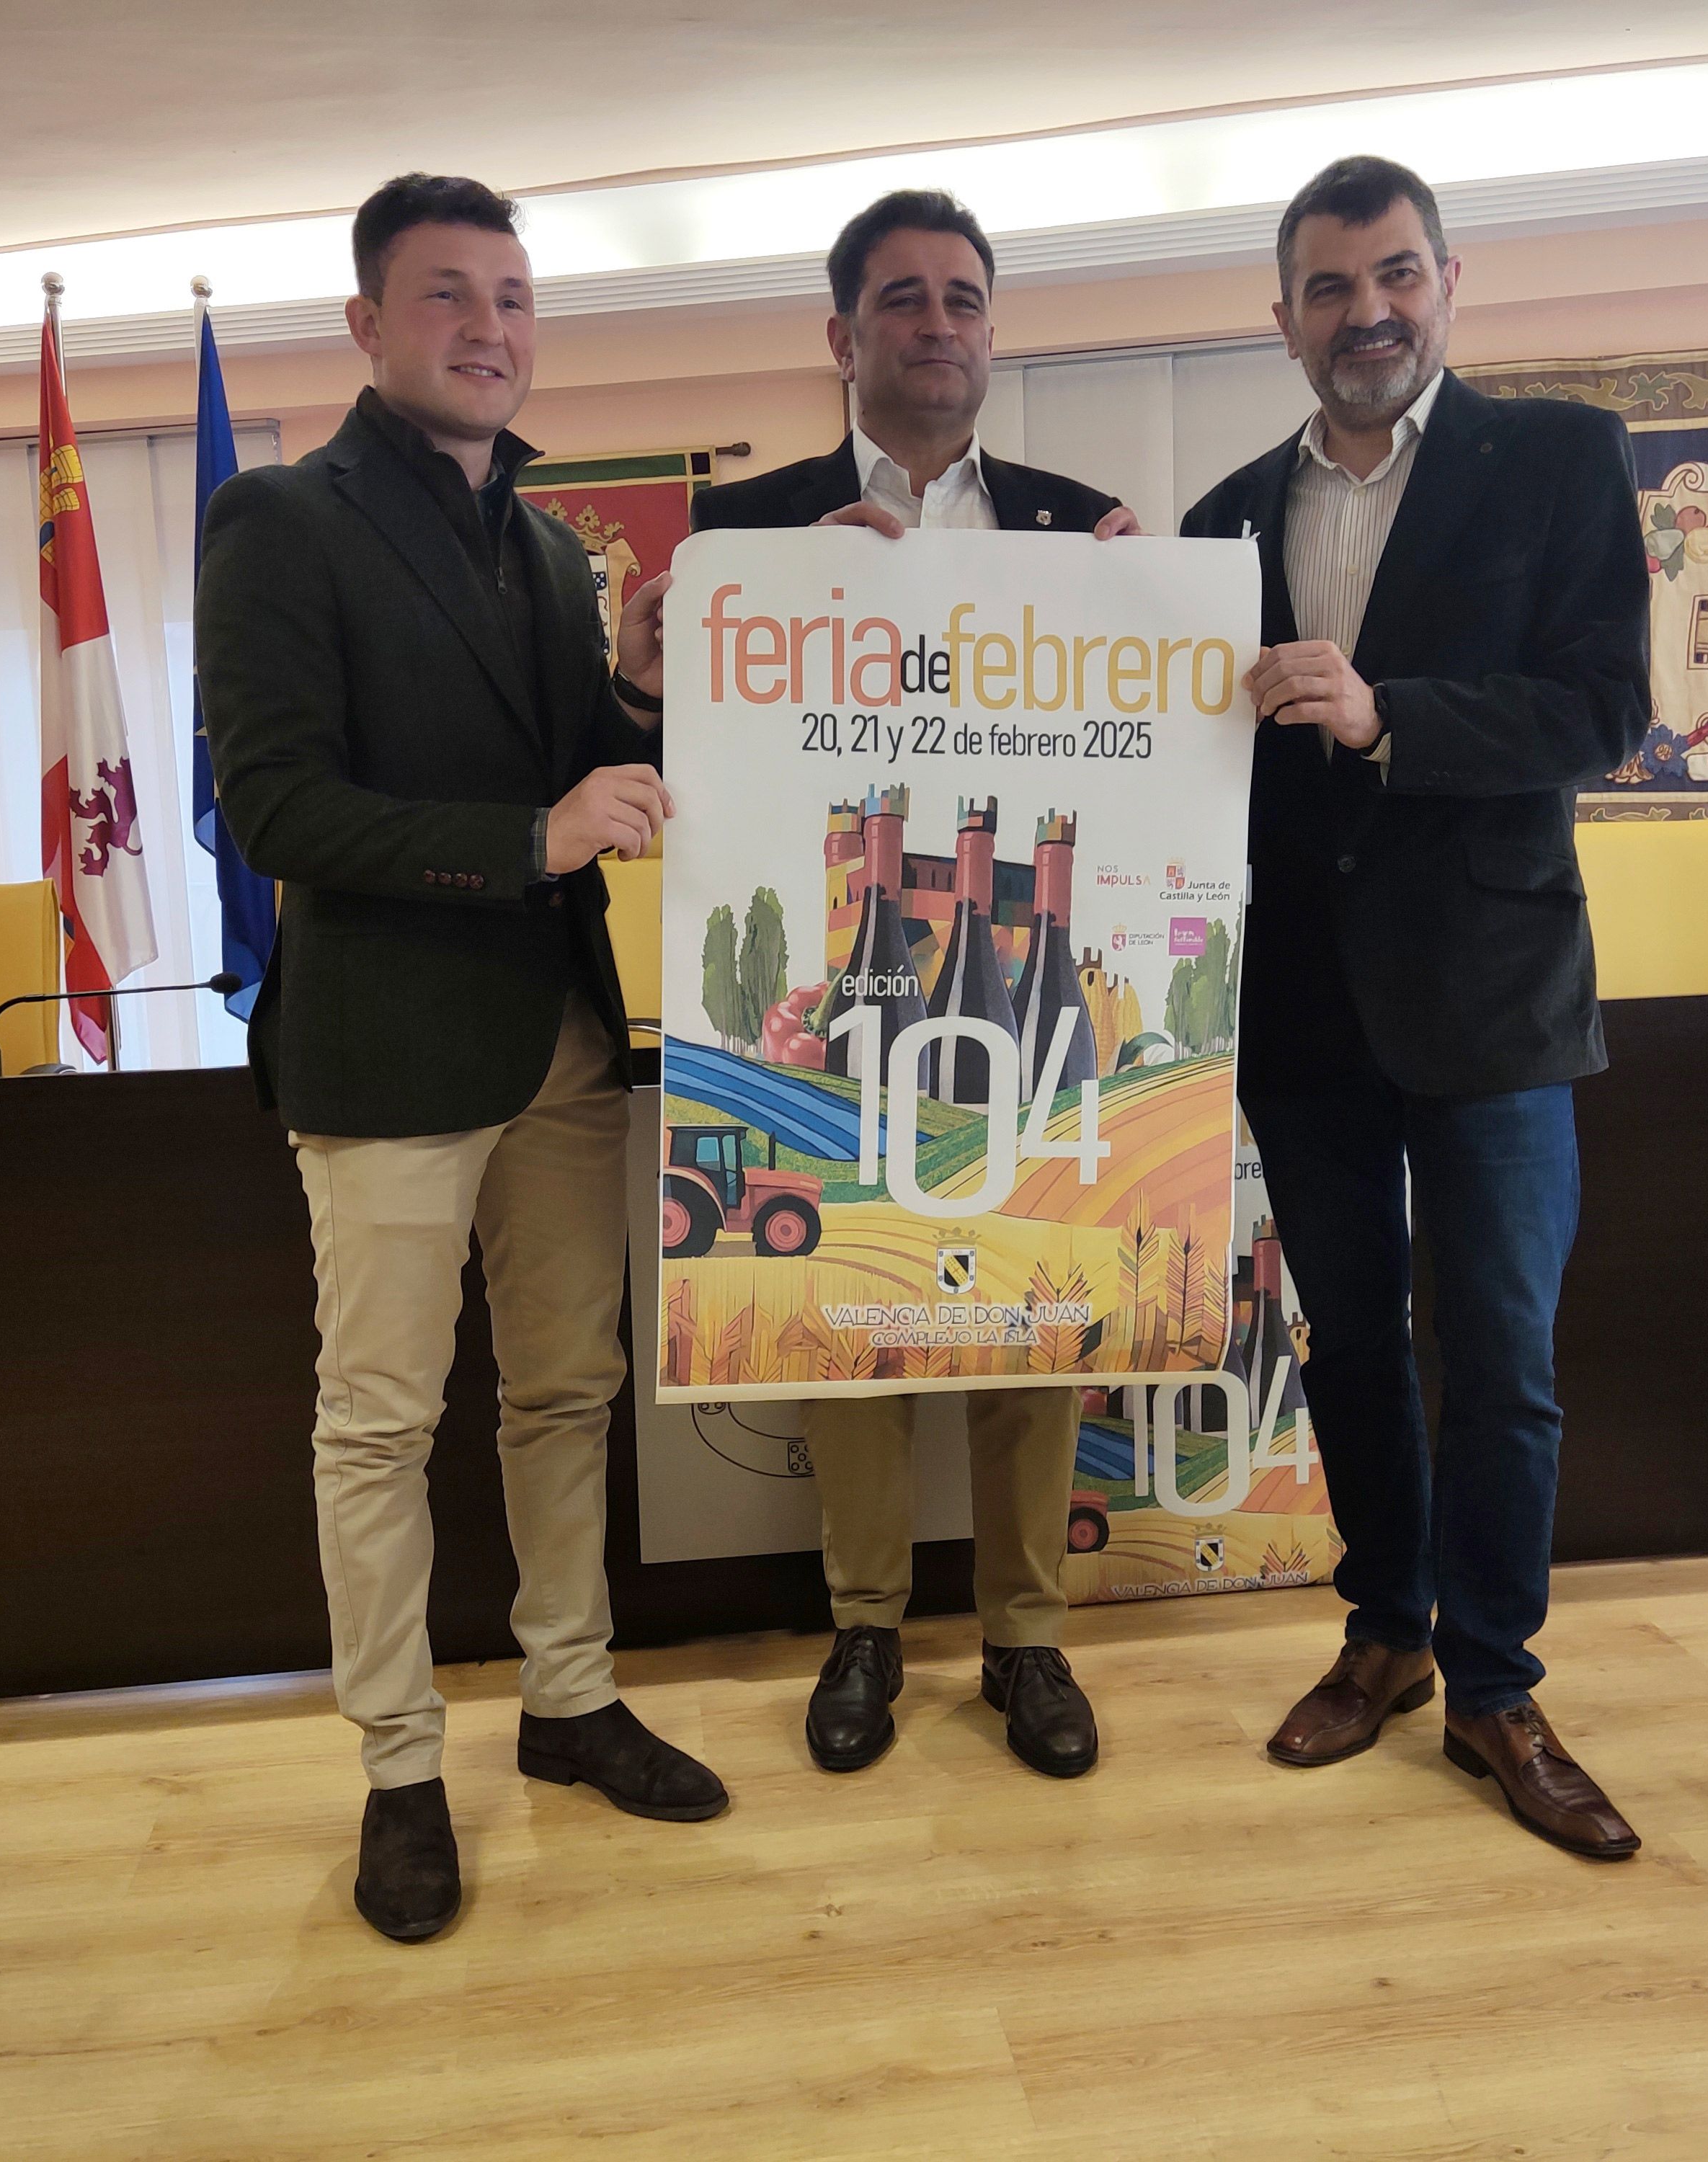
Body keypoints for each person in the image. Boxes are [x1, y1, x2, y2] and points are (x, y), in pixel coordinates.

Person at [199, 172, 725, 1947]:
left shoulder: (536, 538)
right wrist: (530, 839)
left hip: (563, 1038)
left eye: (511, 294)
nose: (488, 326)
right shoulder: (282, 517)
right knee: (382, 1424)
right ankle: (399, 1769)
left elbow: (573, 760)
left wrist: (634, 690)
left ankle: (567, 1701)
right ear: (364, 322)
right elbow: (273, 805)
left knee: (566, 1392)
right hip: (388, 1049)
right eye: (446, 295)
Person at [1179, 156, 1653, 1859]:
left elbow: (1600, 711)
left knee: (1503, 1360)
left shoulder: (1554, 458)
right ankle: (1381, 1629)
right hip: (1296, 1008)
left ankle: (1495, 1683)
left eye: (1392, 275)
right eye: (1325, 286)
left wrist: (1388, 718)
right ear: (1283, 314)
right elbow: (1180, 758)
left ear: (1448, 280)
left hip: (1494, 1000)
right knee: (1350, 1346)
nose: (1363, 311)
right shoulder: (1222, 517)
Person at [692, 189, 1139, 1781]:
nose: (935, 322)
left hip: (1008, 939)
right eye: (901, 299)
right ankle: (864, 1627)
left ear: (991, 329)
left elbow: (1157, 746)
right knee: (849, 1303)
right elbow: (678, 745)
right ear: (842, 335)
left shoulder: (1086, 535)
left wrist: (1162, 617)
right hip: (859, 956)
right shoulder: (750, 540)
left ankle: (1025, 1640)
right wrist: (701, 623)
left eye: (961, 297)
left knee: (1033, 1300)